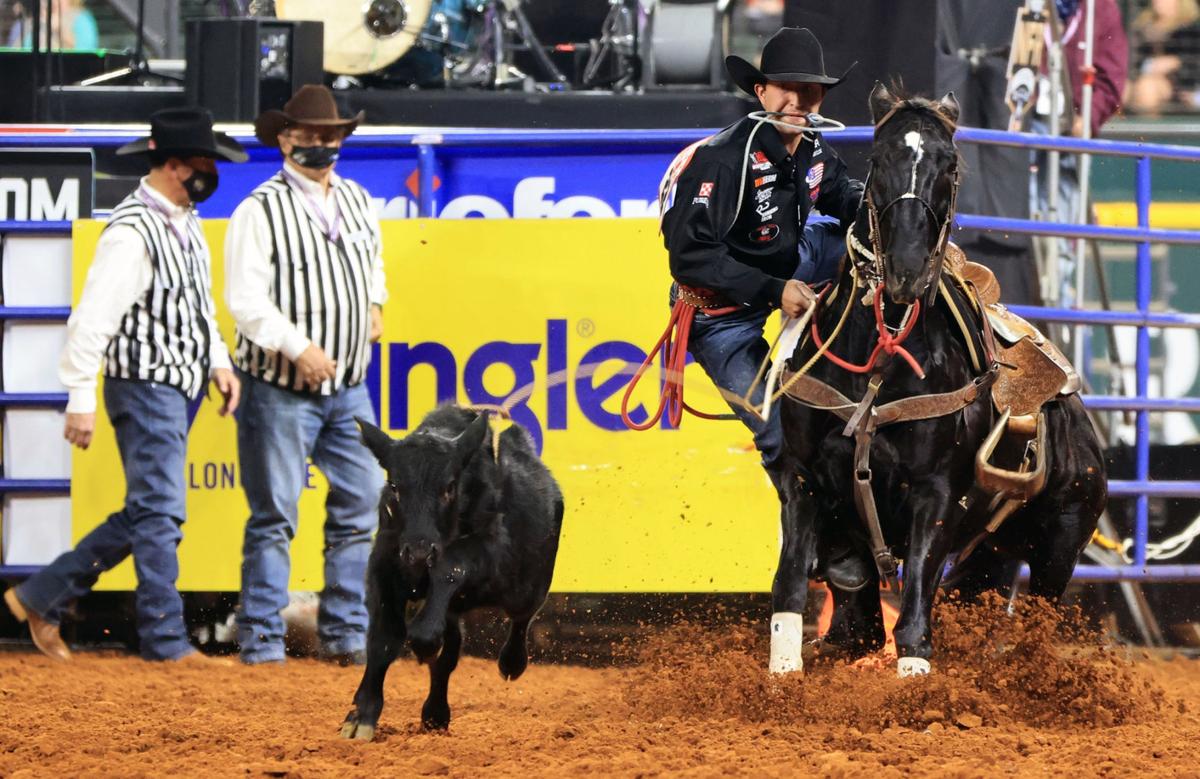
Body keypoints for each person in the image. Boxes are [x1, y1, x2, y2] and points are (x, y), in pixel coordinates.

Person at [2, 107, 245, 662]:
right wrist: (80, 398)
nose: (212, 171)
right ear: (177, 166)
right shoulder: (132, 231)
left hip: (173, 386)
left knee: (147, 509)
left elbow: (198, 306)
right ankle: (163, 640)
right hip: (144, 384)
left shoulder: (180, 221)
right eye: (205, 161)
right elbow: (93, 319)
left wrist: (217, 362)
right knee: (158, 511)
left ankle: (42, 596)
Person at [660, 27, 865, 587]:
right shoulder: (722, 162)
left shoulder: (817, 149)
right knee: (779, 433)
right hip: (717, 315)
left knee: (872, 248)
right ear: (761, 93)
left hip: (786, 265)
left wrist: (895, 212)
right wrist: (777, 293)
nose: (798, 102)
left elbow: (846, 197)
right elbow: (688, 257)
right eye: (786, 89)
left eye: (811, 91)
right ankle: (823, 539)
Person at [226, 84, 387, 666]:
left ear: (341, 138)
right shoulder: (258, 210)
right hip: (279, 387)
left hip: (348, 387)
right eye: (310, 135)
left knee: (363, 499)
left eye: (330, 135)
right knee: (274, 514)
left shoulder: (359, 201)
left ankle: (346, 632)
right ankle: (262, 640)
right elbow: (244, 300)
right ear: (285, 138)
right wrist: (298, 347)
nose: (320, 143)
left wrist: (374, 306)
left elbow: (373, 266)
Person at [1129, 0, 1200, 114]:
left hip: (1178, 86)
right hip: (1140, 78)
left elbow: (1193, 63)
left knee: (1147, 87)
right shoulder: (1142, 27)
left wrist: (1177, 61)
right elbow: (1133, 61)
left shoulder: (1191, 29)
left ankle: (1147, 131)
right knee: (1124, 89)